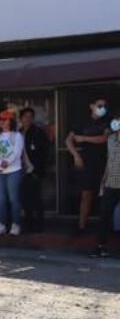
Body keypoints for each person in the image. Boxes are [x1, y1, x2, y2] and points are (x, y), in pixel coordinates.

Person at [66, 98, 110, 234]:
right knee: (86, 194)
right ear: (91, 106)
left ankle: (105, 227)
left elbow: (104, 138)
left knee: (106, 195)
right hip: (87, 162)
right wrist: (76, 155)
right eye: (99, 105)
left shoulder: (108, 121)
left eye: (104, 106)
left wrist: (84, 138)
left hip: (105, 162)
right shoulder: (81, 122)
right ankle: (82, 226)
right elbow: (68, 140)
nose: (102, 108)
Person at [0, 110, 25, 236]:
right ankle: (1, 224)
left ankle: (16, 224)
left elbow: (17, 152)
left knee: (14, 198)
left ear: (11, 121)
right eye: (0, 120)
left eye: (5, 119)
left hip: (13, 170)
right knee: (0, 199)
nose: (2, 122)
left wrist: (7, 162)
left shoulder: (17, 135)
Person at [91, 115, 120, 257]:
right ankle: (100, 246)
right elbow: (109, 161)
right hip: (110, 183)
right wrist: (103, 181)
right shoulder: (111, 140)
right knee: (104, 216)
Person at [19, 108, 50, 233]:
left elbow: (45, 152)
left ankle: (39, 225)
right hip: (20, 170)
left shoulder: (38, 132)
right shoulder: (17, 132)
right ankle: (28, 224)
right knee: (25, 199)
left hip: (35, 170)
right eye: (25, 116)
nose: (28, 119)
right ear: (21, 118)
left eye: (30, 116)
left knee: (36, 198)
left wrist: (39, 168)